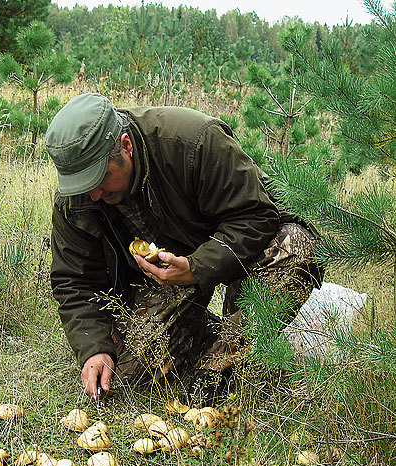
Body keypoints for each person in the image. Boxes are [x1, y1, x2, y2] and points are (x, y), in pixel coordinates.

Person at [45, 93, 323, 404]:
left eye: (101, 179)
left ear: (126, 146)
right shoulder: (77, 197)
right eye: (83, 185)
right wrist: (94, 347)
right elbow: (74, 281)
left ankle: (220, 364)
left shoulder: (195, 141)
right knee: (132, 375)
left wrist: (198, 267)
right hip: (161, 282)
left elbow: (257, 216)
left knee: (296, 248)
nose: (93, 194)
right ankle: (205, 331)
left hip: (239, 250)